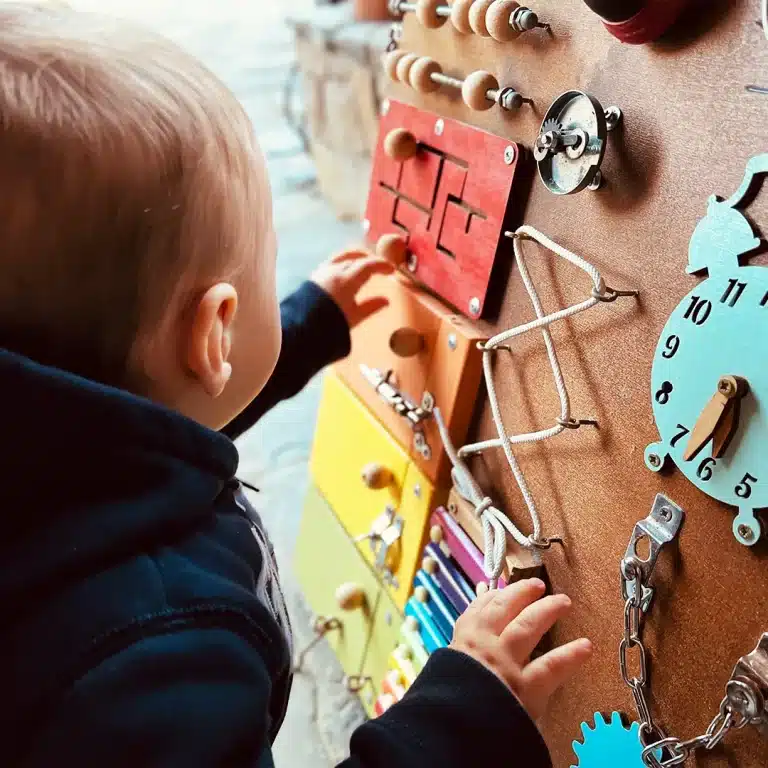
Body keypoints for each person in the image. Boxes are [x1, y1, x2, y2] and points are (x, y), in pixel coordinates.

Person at [0, 3, 593, 766]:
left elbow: (157, 420)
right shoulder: (160, 662)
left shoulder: (49, 449)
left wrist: (307, 322)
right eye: (264, 261)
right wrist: (460, 718)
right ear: (213, 333)